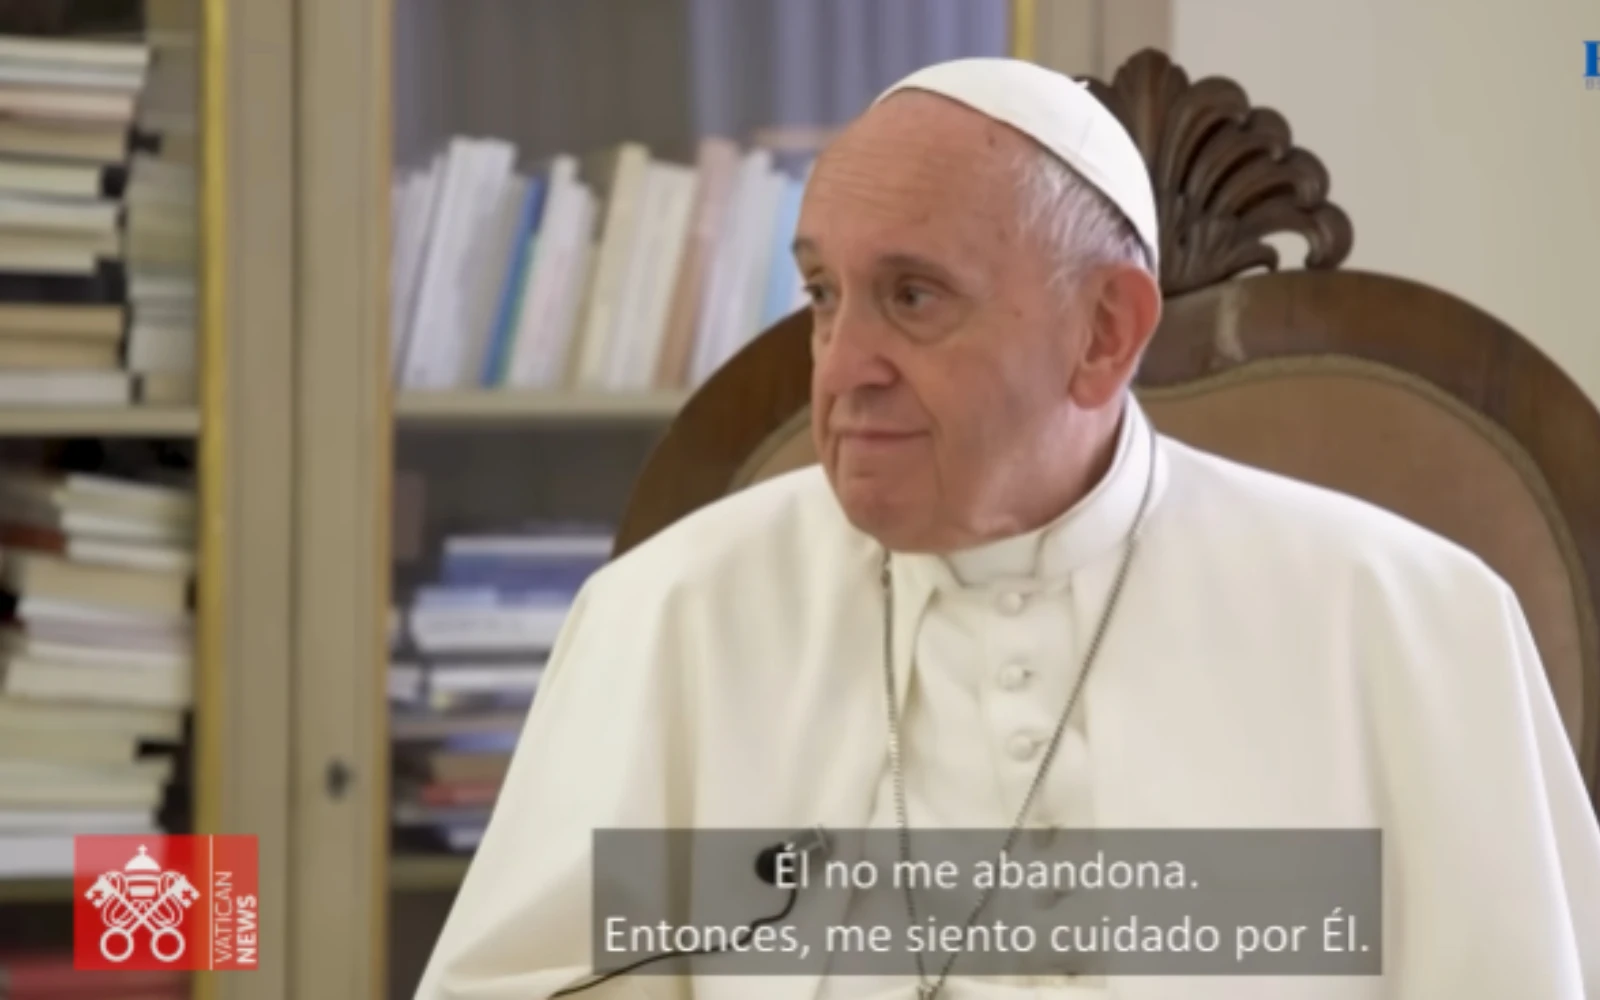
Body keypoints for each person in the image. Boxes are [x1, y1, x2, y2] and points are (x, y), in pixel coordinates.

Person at [412, 57, 1600, 1000]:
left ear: (1103, 332)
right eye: (823, 294)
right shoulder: (672, 614)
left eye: (913, 296)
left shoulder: (1407, 622)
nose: (841, 367)